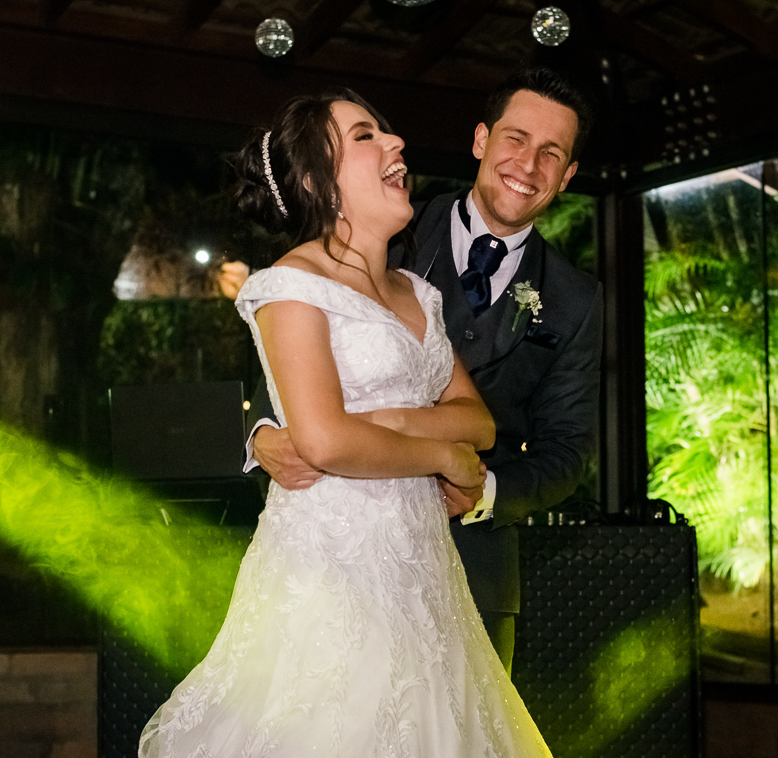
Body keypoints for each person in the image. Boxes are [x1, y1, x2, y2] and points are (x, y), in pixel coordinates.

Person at [139, 89, 552, 756]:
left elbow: (477, 422)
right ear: (315, 180)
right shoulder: (289, 285)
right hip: (331, 577)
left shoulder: (417, 295)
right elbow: (326, 440)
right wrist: (441, 455)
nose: (396, 146)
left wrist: (388, 420)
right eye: (366, 136)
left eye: (389, 135)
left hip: (425, 582)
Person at [249, 67, 604, 674]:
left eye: (552, 153)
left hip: (480, 576)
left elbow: (568, 449)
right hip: (342, 551)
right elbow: (284, 351)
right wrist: (260, 433)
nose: (529, 164)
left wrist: (483, 491)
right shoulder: (391, 222)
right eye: (516, 139)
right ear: (480, 141)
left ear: (568, 176)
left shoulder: (576, 299)